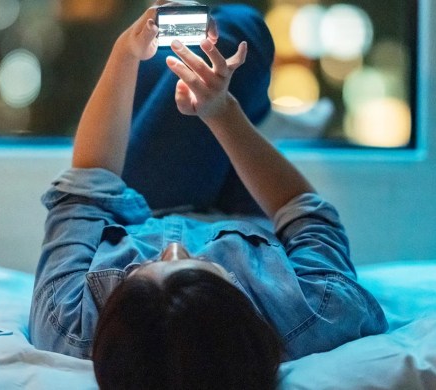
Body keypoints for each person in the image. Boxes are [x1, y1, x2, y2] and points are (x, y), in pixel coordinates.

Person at [29, 1, 388, 388]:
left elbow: (90, 184)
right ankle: (255, 115)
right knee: (238, 29)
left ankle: (257, 112)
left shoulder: (69, 325)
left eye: (144, 271)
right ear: (240, 310)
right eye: (193, 264)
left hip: (149, 201)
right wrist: (223, 112)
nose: (173, 249)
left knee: (169, 58)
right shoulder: (320, 315)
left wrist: (124, 52)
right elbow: (302, 211)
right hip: (253, 210)